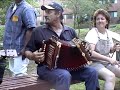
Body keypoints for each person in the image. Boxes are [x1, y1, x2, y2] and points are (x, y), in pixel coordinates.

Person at [25, 2, 100, 90]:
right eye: (46, 12)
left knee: (92, 72)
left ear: (58, 13)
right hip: (47, 69)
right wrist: (32, 56)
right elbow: (27, 50)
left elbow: (80, 47)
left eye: (49, 12)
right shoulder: (38, 31)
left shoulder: (70, 31)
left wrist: (86, 47)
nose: (45, 14)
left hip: (70, 68)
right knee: (64, 75)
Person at [85, 9, 120, 90]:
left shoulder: (108, 33)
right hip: (94, 64)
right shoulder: (92, 33)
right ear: (95, 21)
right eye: (97, 19)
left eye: (102, 19)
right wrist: (109, 59)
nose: (100, 21)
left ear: (106, 22)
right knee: (110, 77)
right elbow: (91, 53)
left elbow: (110, 50)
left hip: (106, 63)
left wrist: (114, 48)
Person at [3, 0, 37, 77]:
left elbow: (31, 29)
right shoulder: (12, 7)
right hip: (10, 49)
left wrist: (25, 48)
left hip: (20, 49)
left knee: (19, 75)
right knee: (13, 72)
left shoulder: (27, 9)